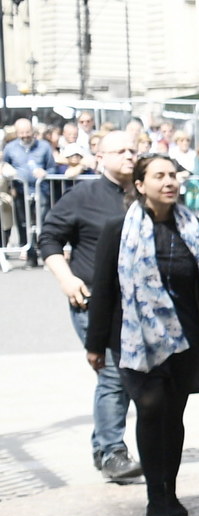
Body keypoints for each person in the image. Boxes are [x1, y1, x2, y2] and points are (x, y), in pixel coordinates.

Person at [84, 154, 199, 516]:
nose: (169, 182)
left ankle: (170, 488)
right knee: (151, 408)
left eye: (173, 175)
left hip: (184, 335)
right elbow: (103, 289)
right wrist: (95, 343)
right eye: (159, 176)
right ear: (140, 185)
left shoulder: (193, 227)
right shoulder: (119, 230)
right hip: (135, 337)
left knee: (174, 415)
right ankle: (155, 498)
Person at [38, 131, 143, 481]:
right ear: (100, 157)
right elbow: (49, 238)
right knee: (113, 374)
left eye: (133, 149)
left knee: (131, 375)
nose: (129, 155)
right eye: (121, 151)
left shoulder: (145, 193)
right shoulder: (83, 196)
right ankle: (112, 452)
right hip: (95, 303)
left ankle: (105, 445)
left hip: (140, 305)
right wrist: (65, 278)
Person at [4, 118, 56, 266]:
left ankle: (47, 256)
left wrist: (45, 172)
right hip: (20, 193)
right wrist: (11, 184)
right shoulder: (10, 147)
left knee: (44, 224)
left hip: (42, 191)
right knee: (23, 225)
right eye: (21, 133)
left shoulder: (44, 147)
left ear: (33, 132)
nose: (25, 136)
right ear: (16, 133)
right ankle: (30, 256)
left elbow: (52, 168)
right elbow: (5, 166)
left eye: (27, 132)